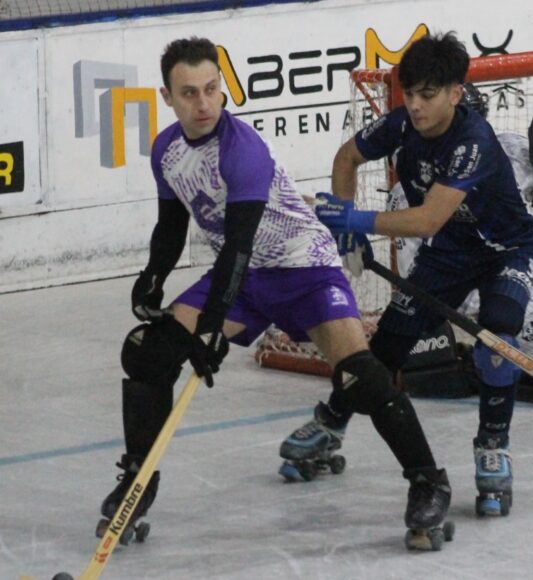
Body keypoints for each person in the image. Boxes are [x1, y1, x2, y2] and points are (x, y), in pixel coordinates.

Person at [106, 36, 452, 548]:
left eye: (211, 89)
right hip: (244, 278)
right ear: (168, 98)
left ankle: (428, 481)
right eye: (189, 93)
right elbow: (171, 225)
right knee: (146, 352)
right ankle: (138, 480)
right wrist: (152, 278)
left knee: (359, 376)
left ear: (222, 89)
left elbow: (239, 243)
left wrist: (211, 327)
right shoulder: (167, 150)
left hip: (303, 267)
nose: (203, 104)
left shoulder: (241, 150)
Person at [289, 33, 533, 518]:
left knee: (497, 335)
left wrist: (354, 219)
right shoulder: (403, 123)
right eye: (409, 94)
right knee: (386, 344)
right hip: (449, 254)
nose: (416, 105)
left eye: (428, 94)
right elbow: (346, 158)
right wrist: (347, 230)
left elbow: (427, 220)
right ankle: (332, 422)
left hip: (506, 252)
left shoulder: (473, 142)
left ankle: (493, 445)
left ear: (455, 92)